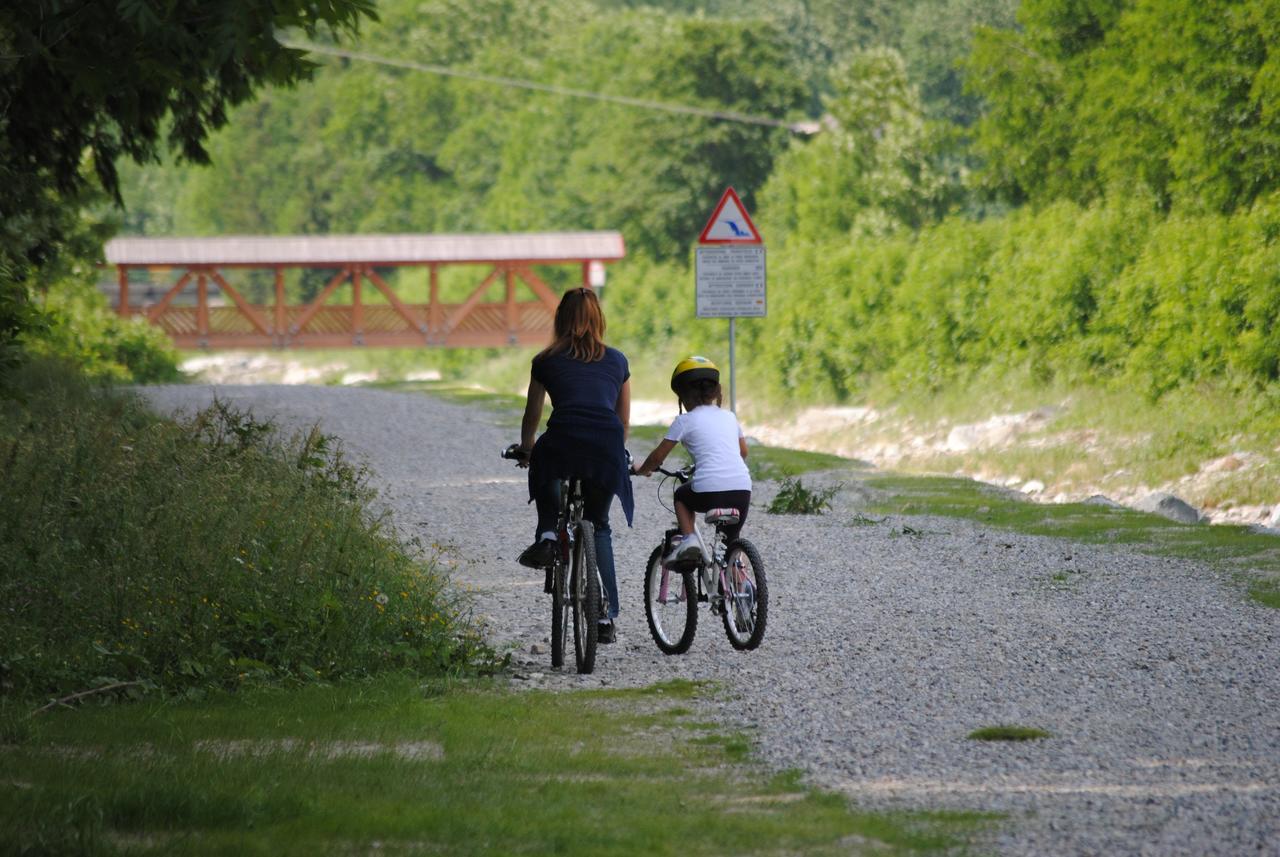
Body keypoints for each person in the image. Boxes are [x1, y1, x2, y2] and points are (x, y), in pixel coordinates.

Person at [514, 287, 632, 644]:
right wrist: (613, 453)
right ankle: (606, 613)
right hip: (606, 445)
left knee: (546, 462)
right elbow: (623, 421)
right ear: (599, 319)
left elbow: (533, 413)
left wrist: (526, 448)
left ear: (561, 319)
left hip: (564, 438)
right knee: (599, 527)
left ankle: (548, 533)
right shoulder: (617, 360)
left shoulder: (545, 360)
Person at [633, 356, 751, 563]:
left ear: (683, 396)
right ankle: (740, 586)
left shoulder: (684, 420)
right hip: (742, 490)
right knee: (730, 544)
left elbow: (658, 456)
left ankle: (689, 540)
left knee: (681, 496)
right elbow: (743, 452)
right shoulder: (730, 417)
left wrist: (644, 469)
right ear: (715, 391)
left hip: (708, 491)